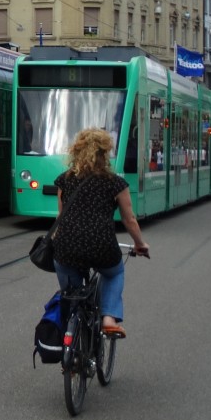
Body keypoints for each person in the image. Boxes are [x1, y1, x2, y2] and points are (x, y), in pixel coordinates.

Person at [52, 128, 151, 338]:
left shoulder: (64, 180)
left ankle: (70, 339)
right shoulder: (115, 182)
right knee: (114, 273)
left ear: (76, 151)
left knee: (72, 296)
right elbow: (129, 220)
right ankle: (109, 317)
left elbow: (60, 218)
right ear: (105, 153)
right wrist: (140, 244)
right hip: (102, 246)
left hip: (66, 248)